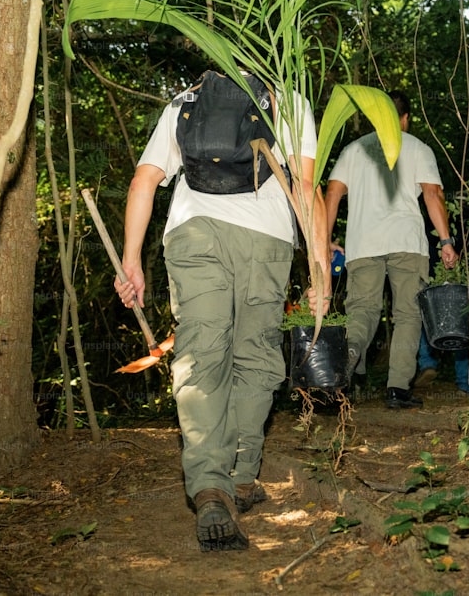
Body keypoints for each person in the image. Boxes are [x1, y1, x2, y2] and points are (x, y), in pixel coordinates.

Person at [114, 69, 330, 552]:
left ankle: (211, 485)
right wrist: (321, 275)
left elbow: (143, 182)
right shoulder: (287, 99)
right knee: (255, 356)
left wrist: (131, 261)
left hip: (193, 233)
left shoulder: (187, 99)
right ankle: (243, 474)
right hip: (266, 237)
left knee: (200, 352)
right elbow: (306, 188)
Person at [324, 90, 457, 410]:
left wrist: (324, 240)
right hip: (407, 243)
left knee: (362, 312)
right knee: (409, 314)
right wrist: (446, 240)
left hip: (362, 244)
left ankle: (346, 363)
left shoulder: (354, 150)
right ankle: (397, 388)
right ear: (406, 118)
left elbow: (332, 193)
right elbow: (433, 194)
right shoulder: (417, 148)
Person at [416, 245, 469, 394]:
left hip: (434, 285)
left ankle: (427, 364)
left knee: (427, 322)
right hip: (465, 287)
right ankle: (465, 384)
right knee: (463, 330)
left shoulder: (430, 224)